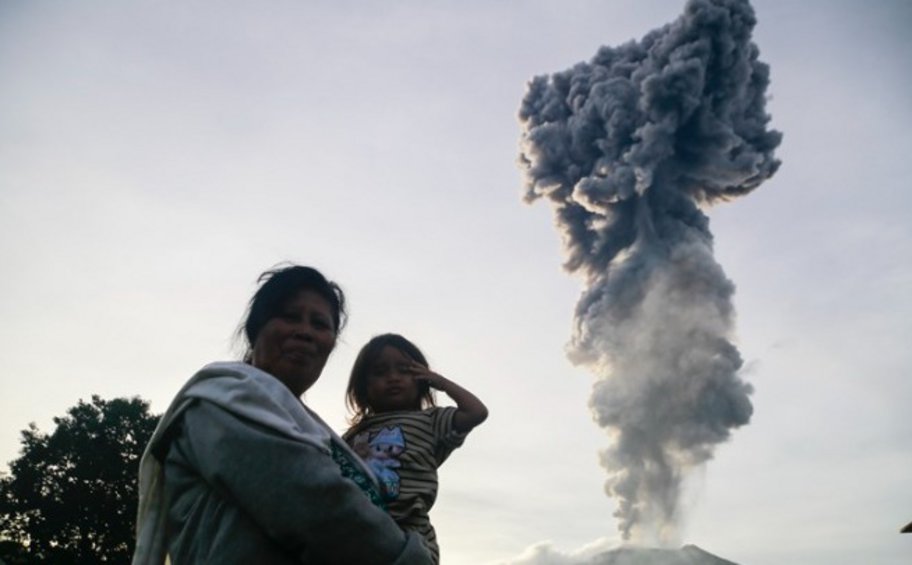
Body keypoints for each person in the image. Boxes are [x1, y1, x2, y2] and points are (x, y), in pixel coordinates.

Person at [132, 265, 432, 565]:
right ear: (257, 328)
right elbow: (317, 508)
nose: (305, 332)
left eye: (320, 324)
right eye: (290, 317)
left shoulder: (317, 432)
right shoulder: (219, 401)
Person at [343, 334, 488, 563]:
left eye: (404, 370)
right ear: (363, 387)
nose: (393, 378)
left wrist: (441, 382)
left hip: (409, 534)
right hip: (358, 531)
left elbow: (476, 412)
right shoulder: (351, 436)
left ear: (422, 380)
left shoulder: (430, 421)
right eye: (380, 372)